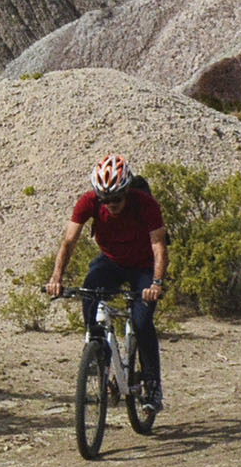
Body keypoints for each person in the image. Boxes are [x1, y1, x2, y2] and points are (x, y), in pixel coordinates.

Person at [45, 154, 169, 411]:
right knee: (90, 294)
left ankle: (152, 385)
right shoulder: (88, 202)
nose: (111, 205)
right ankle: (99, 355)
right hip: (111, 261)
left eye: (117, 199)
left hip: (143, 265)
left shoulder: (145, 204)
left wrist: (156, 283)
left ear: (127, 191)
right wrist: (56, 277)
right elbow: (69, 241)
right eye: (105, 200)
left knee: (143, 321)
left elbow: (158, 244)